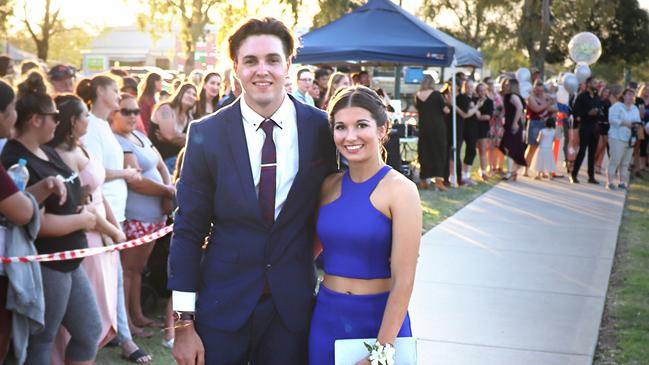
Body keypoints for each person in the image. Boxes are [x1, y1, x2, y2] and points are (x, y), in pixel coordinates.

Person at [167, 17, 336, 365]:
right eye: (251, 61)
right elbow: (187, 231)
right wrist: (184, 322)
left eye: (273, 59)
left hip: (291, 310)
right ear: (235, 68)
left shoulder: (321, 128)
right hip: (221, 308)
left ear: (288, 64)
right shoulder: (206, 134)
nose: (263, 70)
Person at [309, 85, 421, 365]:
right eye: (340, 127)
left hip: (380, 325)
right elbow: (306, 254)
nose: (350, 136)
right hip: (326, 318)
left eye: (361, 125)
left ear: (382, 129)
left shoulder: (401, 190)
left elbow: (404, 280)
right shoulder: (327, 186)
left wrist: (382, 350)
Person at [1, 71, 102, 365]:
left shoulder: (47, 151)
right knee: (43, 339)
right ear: (36, 119)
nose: (58, 122)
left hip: (70, 257)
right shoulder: (14, 159)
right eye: (54, 116)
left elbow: (67, 189)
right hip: (48, 262)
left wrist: (80, 203)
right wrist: (84, 221)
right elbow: (35, 222)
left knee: (88, 331)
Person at [76, 74, 152, 363]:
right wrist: (126, 174)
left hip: (115, 210)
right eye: (113, 90)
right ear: (98, 93)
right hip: (101, 213)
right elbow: (94, 174)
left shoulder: (104, 126)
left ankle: (118, 335)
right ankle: (122, 339)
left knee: (114, 276)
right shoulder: (92, 127)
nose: (119, 95)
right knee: (109, 277)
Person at [47, 93, 126, 364]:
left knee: (100, 309)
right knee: (81, 315)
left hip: (103, 228)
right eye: (84, 115)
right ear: (72, 121)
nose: (88, 119)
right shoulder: (61, 155)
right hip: (87, 235)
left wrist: (114, 227)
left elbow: (99, 193)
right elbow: (78, 204)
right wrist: (110, 230)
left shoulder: (82, 146)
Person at [0, 77, 68, 364]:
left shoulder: (48, 152)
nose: (15, 115)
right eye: (12, 108)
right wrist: (41, 190)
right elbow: (21, 212)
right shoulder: (12, 155)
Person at [113, 93, 174, 343]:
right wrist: (167, 191)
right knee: (128, 270)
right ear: (113, 113)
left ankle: (137, 314)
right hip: (136, 215)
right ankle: (127, 321)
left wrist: (168, 188)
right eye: (125, 111)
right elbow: (136, 183)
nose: (132, 116)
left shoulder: (138, 135)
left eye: (135, 111)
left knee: (138, 270)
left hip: (155, 216)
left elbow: (159, 163)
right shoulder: (116, 140)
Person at [149, 83, 197, 174]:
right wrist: (185, 138)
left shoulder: (188, 117)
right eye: (188, 92)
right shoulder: (166, 108)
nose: (191, 96)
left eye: (194, 94)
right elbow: (170, 136)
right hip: (160, 160)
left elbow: (191, 141)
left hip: (176, 161)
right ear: (180, 93)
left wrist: (176, 137)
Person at [414, 75, 448, 191]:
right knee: (439, 151)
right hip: (437, 127)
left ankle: (424, 180)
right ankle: (439, 180)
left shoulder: (417, 95)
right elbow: (446, 110)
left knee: (424, 151)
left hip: (424, 126)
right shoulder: (436, 94)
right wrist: (449, 102)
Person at [571, 76, 602, 184]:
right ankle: (574, 174)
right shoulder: (582, 97)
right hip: (585, 126)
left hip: (595, 127)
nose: (596, 84)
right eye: (594, 82)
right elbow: (576, 112)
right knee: (582, 151)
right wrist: (587, 113)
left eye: (596, 82)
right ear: (588, 84)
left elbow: (601, 111)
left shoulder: (597, 97)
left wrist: (597, 112)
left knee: (592, 153)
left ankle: (591, 176)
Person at [607, 88, 640, 190]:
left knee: (626, 162)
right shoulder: (617, 106)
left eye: (632, 95)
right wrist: (626, 123)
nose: (631, 97)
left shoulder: (635, 108)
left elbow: (638, 121)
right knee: (615, 160)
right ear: (624, 96)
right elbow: (612, 120)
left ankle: (622, 182)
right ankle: (610, 182)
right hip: (617, 137)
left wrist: (636, 126)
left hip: (630, 138)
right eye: (629, 94)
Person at [499, 79, 527, 181]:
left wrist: (515, 122)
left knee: (510, 147)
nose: (505, 86)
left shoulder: (513, 96)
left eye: (507, 84)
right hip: (509, 123)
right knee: (509, 147)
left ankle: (511, 171)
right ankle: (513, 170)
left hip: (513, 124)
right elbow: (505, 110)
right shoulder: (507, 96)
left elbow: (519, 108)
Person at [524, 80, 554, 176]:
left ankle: (542, 170)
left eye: (541, 90)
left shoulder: (547, 97)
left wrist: (548, 104)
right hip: (534, 123)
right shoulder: (530, 98)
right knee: (532, 146)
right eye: (537, 90)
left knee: (544, 148)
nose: (539, 92)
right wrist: (547, 104)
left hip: (545, 124)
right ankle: (526, 169)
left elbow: (554, 108)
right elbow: (536, 109)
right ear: (534, 89)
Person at [475, 82, 494, 181]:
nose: (481, 92)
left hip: (483, 128)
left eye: (483, 90)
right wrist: (476, 110)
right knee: (472, 150)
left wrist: (478, 115)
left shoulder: (489, 102)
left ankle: (483, 172)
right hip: (473, 128)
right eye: (480, 90)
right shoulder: (474, 100)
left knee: (482, 149)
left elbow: (487, 116)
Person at [595, 86, 612, 175]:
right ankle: (593, 161)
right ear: (602, 92)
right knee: (599, 145)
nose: (606, 94)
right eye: (605, 92)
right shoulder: (597, 100)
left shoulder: (609, 103)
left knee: (604, 145)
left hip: (606, 125)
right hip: (598, 124)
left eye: (608, 93)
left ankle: (598, 165)